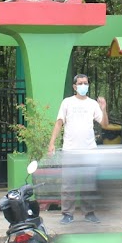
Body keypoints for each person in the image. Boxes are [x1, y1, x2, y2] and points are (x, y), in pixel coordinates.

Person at [48, 73, 107, 224]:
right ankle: (68, 214)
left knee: (89, 184)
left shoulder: (93, 104)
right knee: (68, 185)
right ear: (74, 87)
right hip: (70, 151)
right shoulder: (67, 102)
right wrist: (52, 143)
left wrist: (104, 109)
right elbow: (59, 123)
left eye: (85, 83)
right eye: (80, 83)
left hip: (89, 151)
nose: (83, 86)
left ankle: (90, 213)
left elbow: (105, 124)